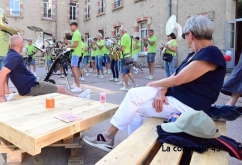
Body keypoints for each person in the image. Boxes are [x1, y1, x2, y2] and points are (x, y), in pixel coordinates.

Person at [83, 15, 226, 152]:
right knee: (133, 103)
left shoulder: (211, 53)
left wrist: (154, 84)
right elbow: (175, 76)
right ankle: (121, 142)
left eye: (184, 36)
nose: (185, 40)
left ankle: (112, 138)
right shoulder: (196, 54)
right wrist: (161, 90)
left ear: (191, 35)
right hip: (177, 98)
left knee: (134, 103)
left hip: (190, 105)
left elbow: (179, 79)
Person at [0, 35, 91, 102]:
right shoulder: (15, 57)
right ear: (20, 45)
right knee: (61, 88)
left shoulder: (9, 55)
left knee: (51, 87)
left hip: (31, 84)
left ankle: (78, 97)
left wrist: (6, 90)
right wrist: (1, 96)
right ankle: (79, 98)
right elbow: (1, 75)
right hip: (32, 87)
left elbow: (6, 74)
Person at [118, 27, 138, 91]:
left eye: (119, 31)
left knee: (125, 72)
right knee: (128, 71)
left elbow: (122, 48)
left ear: (122, 31)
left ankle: (126, 86)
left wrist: (117, 47)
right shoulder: (128, 36)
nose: (119, 33)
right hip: (128, 55)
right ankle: (134, 83)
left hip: (124, 56)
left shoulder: (124, 37)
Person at [65, 22, 82, 92]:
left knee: (74, 69)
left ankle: (78, 86)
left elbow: (76, 44)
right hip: (74, 53)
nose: (70, 28)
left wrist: (67, 46)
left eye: (71, 26)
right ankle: (76, 84)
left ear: (75, 26)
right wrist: (68, 43)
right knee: (73, 68)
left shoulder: (77, 33)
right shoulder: (75, 33)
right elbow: (73, 43)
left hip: (76, 53)